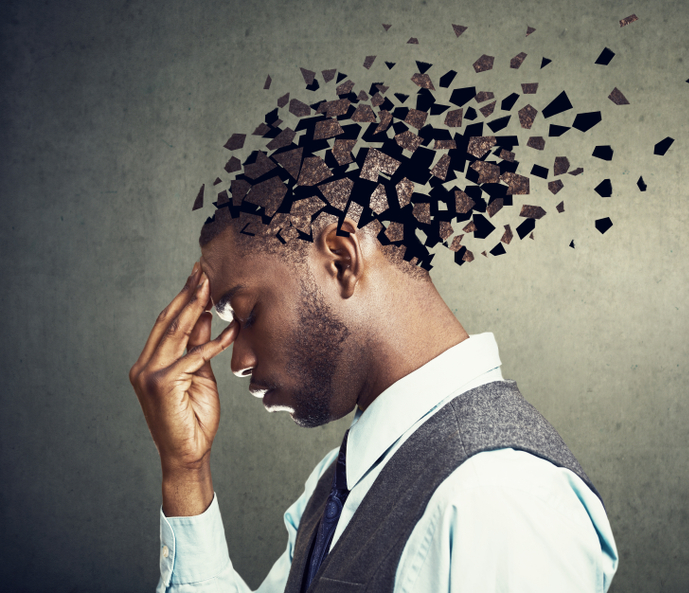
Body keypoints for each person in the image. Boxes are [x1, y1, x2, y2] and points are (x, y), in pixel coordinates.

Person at [129, 209, 618, 592]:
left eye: (247, 312)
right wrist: (184, 470)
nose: (235, 362)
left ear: (342, 260)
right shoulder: (340, 480)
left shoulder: (497, 496)